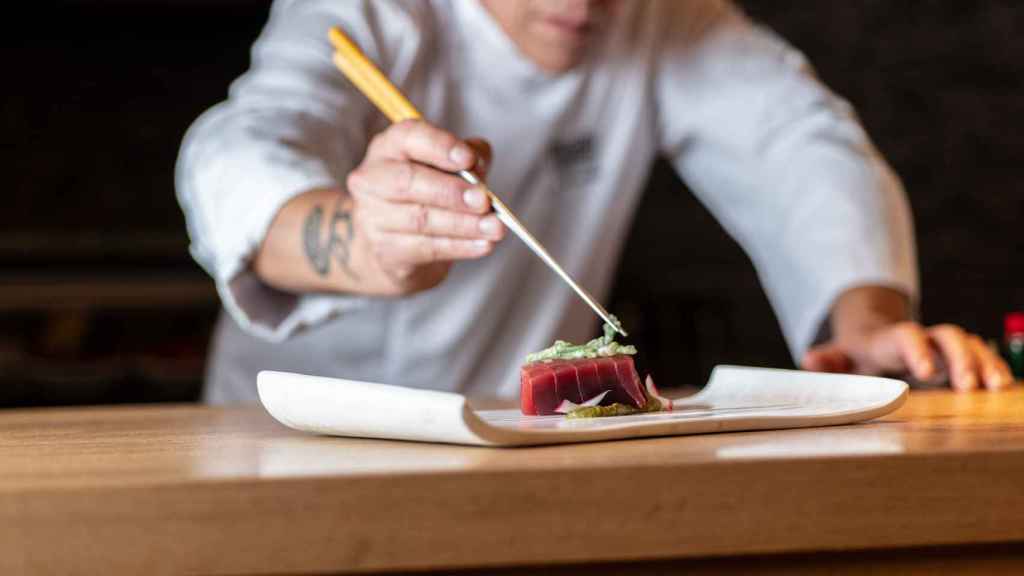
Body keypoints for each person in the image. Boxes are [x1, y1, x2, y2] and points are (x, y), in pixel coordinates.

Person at [176, 0, 1012, 404]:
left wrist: (864, 323)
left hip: (518, 448)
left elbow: (799, 142)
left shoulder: (655, 18)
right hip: (289, 443)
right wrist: (363, 244)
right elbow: (235, 154)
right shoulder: (368, 10)